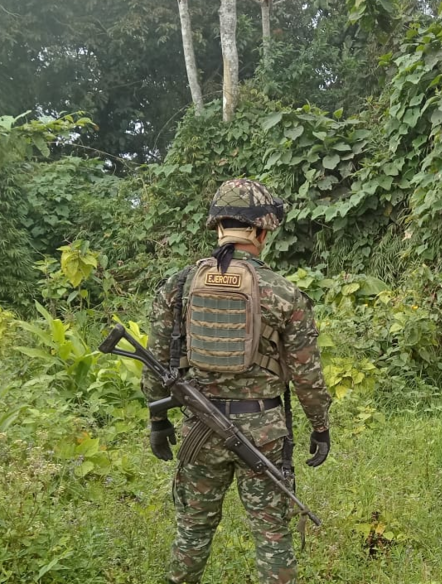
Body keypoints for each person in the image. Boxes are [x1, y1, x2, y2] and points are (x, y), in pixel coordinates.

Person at [142, 178, 332, 584]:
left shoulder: (179, 285)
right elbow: (307, 376)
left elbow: (156, 362)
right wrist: (320, 426)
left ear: (217, 227)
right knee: (273, 534)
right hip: (263, 432)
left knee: (192, 530)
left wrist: (158, 421)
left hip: (200, 429)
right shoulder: (284, 293)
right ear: (261, 232)